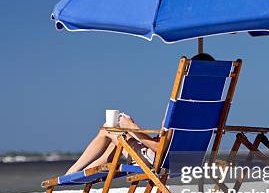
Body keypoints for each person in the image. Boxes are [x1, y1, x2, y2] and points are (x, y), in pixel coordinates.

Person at [65, 53, 215, 175]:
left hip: (157, 161)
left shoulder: (179, 107)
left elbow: (160, 148)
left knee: (108, 129)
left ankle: (72, 173)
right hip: (186, 161)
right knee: (117, 138)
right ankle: (80, 173)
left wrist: (132, 126)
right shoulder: (213, 107)